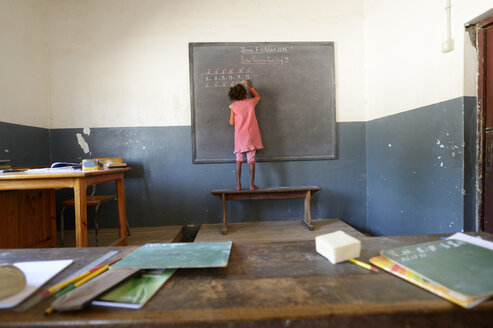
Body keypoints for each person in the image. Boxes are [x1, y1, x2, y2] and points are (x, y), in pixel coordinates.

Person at [228, 80, 263, 190]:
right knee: (251, 160)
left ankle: (238, 185)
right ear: (245, 93)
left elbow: (231, 122)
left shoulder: (233, 106)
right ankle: (252, 185)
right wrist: (250, 87)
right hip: (251, 136)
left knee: (239, 159)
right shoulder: (250, 102)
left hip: (239, 137)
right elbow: (258, 97)